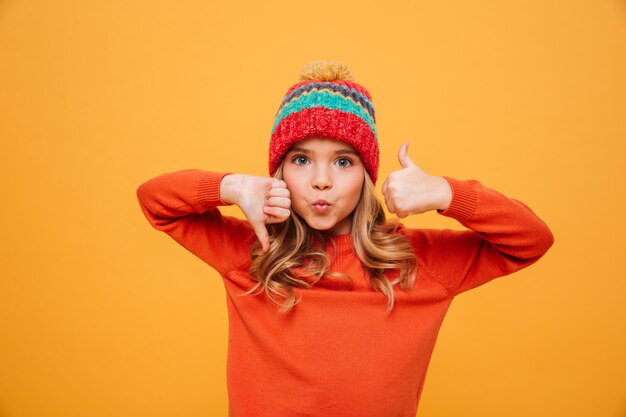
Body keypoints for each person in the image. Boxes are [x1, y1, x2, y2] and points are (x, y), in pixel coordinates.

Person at [136, 60, 554, 417]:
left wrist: (447, 192)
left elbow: (531, 239)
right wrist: (231, 186)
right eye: (301, 160)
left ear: (366, 176)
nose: (321, 181)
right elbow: (155, 200)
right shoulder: (250, 251)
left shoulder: (418, 262)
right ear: (279, 171)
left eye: (343, 161)